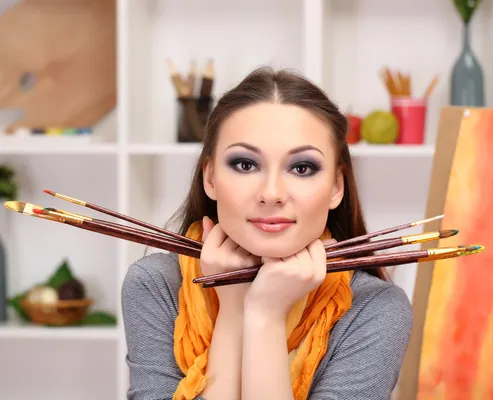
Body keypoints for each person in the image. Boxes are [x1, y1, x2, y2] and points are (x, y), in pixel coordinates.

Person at [121, 66, 413, 400]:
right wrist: (233, 309)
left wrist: (265, 314)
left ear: (336, 187)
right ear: (211, 178)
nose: (271, 193)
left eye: (302, 168)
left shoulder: (374, 308)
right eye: (245, 165)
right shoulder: (155, 284)